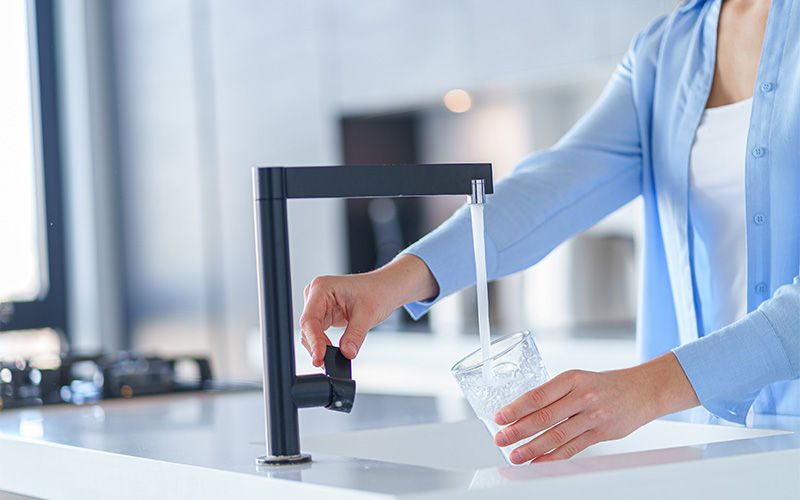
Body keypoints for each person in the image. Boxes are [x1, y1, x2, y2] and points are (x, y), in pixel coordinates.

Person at [299, 0, 799, 464]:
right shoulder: (667, 51)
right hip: (706, 441)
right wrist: (397, 278)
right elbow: (553, 187)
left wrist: (652, 387)